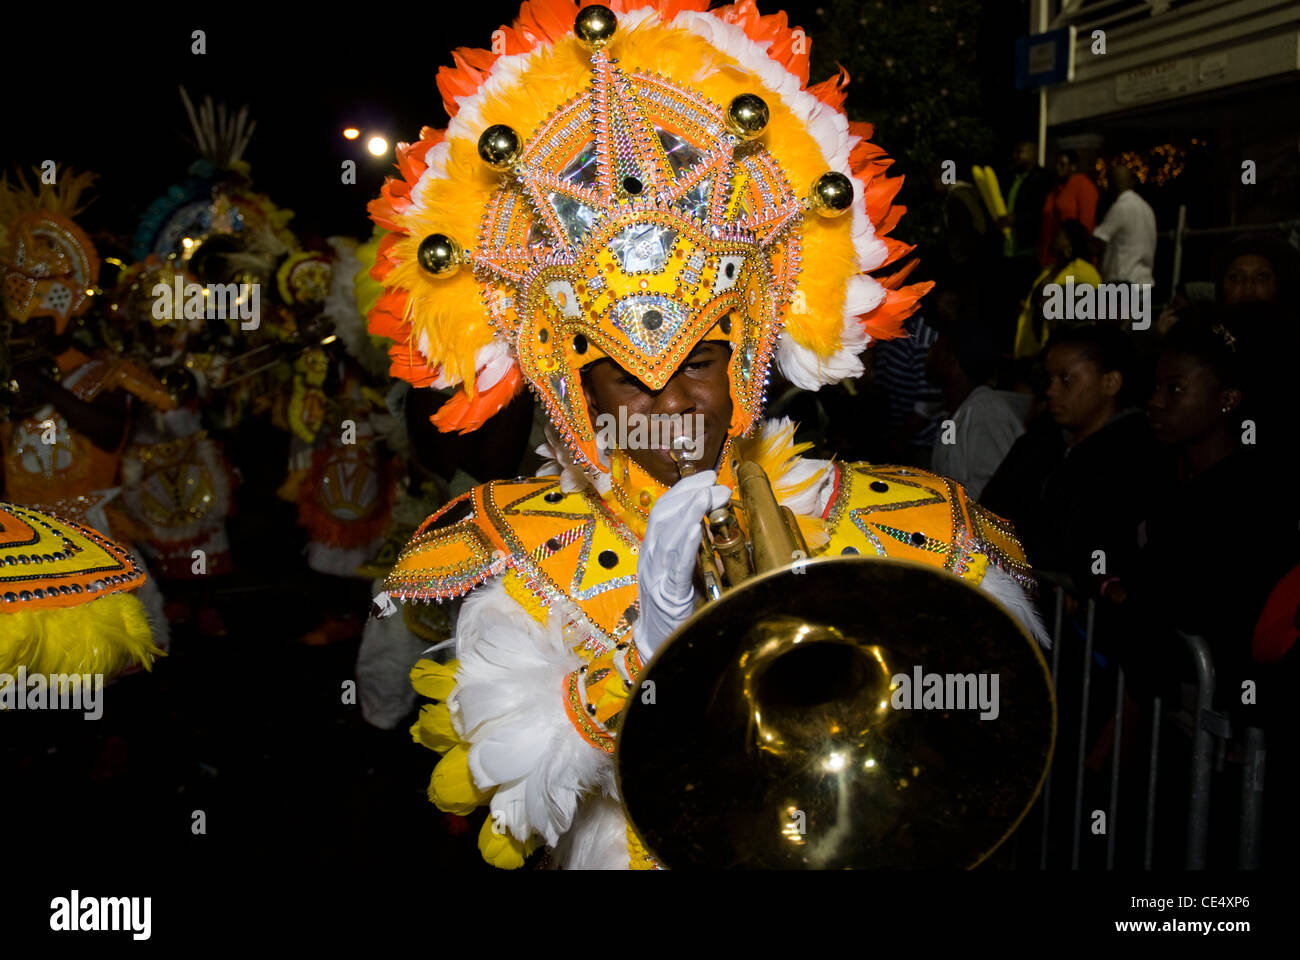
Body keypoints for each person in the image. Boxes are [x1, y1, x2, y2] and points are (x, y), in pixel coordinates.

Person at [364, 1, 1047, 870]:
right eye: (625, 375)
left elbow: (976, 736)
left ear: (750, 354)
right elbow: (510, 782)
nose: (670, 401)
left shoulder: (893, 524)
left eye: (697, 363)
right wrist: (648, 650)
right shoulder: (535, 549)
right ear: (577, 391)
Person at [985, 324, 1158, 602]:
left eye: (1066, 379)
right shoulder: (1042, 440)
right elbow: (992, 508)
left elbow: (1089, 542)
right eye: (1050, 379)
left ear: (1110, 383)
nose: (1052, 391)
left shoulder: (1135, 455)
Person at [926, 322, 1028, 499]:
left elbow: (992, 493)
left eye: (936, 346)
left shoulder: (987, 410)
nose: (928, 353)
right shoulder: (954, 412)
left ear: (951, 360)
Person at [1013, 219, 1102, 359]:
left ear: (1069, 242)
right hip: (1032, 345)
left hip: (1060, 346)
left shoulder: (1084, 271)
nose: (1052, 239)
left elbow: (1093, 310)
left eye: (1057, 235)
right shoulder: (1049, 270)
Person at [1092, 162, 1155, 287]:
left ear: (1112, 184)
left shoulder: (1121, 207)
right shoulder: (1146, 208)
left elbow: (1098, 241)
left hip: (1123, 282)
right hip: (1144, 280)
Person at [1039, 149, 1098, 268]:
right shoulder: (1054, 190)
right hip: (1052, 254)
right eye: (1056, 164)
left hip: (1072, 255)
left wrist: (1075, 251)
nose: (1057, 168)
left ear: (1073, 167)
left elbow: (1086, 223)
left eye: (1062, 164)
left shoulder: (1083, 186)